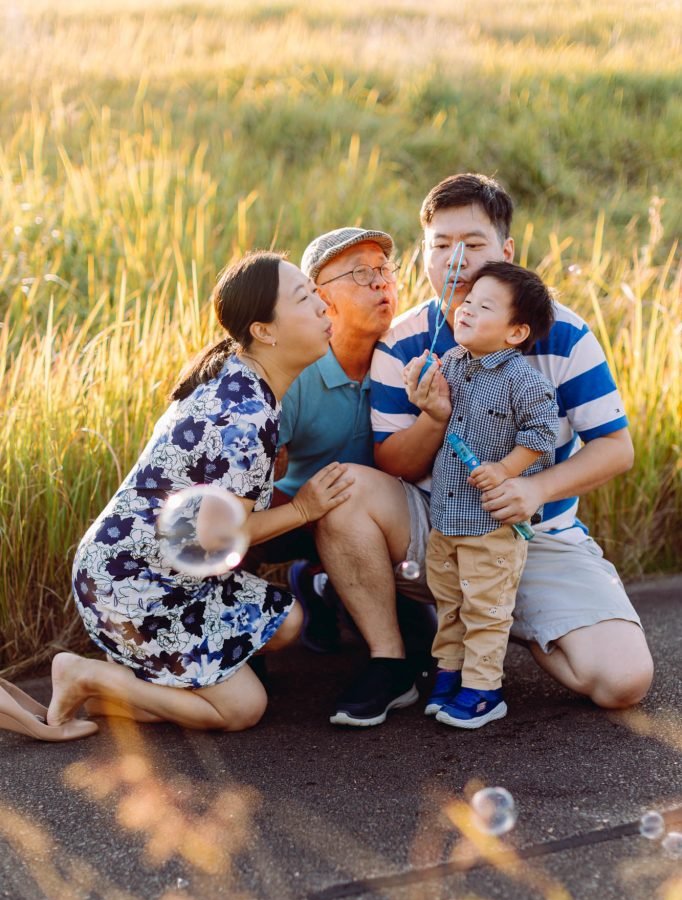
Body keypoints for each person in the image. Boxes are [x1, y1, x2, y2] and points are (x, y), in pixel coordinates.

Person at [315, 172, 652, 727]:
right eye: (440, 245)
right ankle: (391, 659)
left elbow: (615, 448)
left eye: (472, 244)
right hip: (440, 527)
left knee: (622, 681)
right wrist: (433, 419)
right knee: (345, 489)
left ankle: (501, 619)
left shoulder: (561, 333)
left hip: (535, 535)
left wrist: (532, 488)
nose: (455, 259)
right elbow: (393, 465)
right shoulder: (402, 341)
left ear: (506, 251)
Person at [43, 251, 354, 736]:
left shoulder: (239, 377)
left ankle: (131, 683)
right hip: (132, 588)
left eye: (315, 293)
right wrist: (304, 508)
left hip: (159, 571)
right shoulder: (244, 419)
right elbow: (222, 537)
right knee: (244, 708)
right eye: (304, 297)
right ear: (264, 331)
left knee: (286, 621)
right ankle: (85, 675)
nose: (322, 305)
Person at [416, 262, 558, 729]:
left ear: (516, 332)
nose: (466, 309)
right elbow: (442, 414)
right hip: (448, 518)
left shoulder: (523, 379)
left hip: (491, 525)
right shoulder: (454, 363)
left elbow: (543, 434)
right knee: (450, 604)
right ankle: (450, 674)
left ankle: (483, 689)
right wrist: (426, 396)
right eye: (468, 300)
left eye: (484, 306)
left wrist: (506, 469)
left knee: (486, 609)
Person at [246, 227, 399, 653]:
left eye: (384, 269)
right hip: (298, 511)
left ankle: (320, 581)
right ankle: (242, 647)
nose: (381, 282)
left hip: (375, 521)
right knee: (237, 520)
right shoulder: (298, 371)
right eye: (360, 274)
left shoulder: (412, 355)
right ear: (320, 297)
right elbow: (254, 473)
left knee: (421, 643)